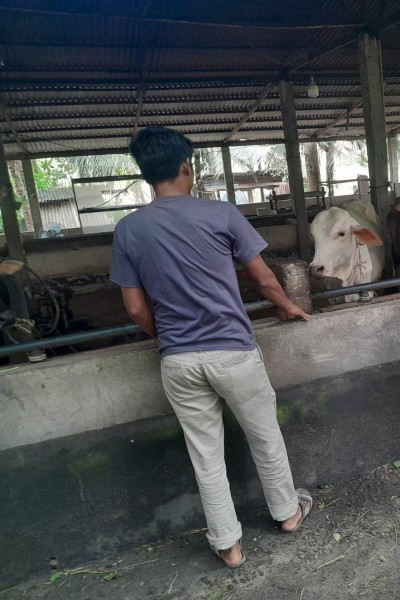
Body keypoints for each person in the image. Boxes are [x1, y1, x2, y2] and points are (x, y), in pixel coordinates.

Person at [110, 127, 313, 568]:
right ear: (188, 166)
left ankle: (229, 546)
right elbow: (262, 278)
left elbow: (134, 307)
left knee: (205, 456)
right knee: (265, 436)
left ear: (146, 175)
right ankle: (288, 514)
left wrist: (166, 338)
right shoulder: (221, 214)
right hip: (234, 352)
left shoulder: (128, 230)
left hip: (178, 361)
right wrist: (288, 306)